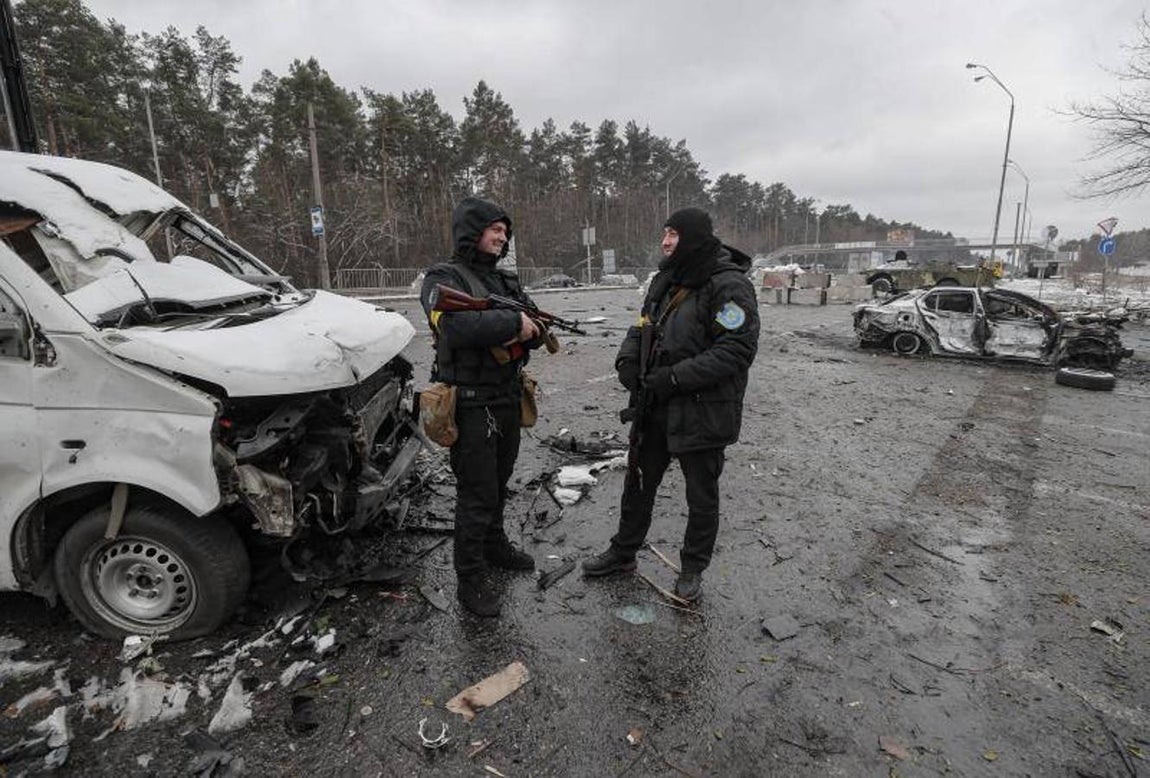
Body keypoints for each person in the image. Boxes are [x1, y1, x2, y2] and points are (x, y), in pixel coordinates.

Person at [582, 207, 759, 601]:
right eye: (664, 232)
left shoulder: (728, 286)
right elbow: (643, 323)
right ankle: (623, 552)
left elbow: (736, 349)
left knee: (701, 496)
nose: (665, 241)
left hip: (703, 410)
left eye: (673, 234)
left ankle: (692, 568)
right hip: (655, 406)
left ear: (693, 237)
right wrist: (627, 357)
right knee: (638, 485)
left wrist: (675, 377)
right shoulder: (666, 279)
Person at [419, 197, 543, 617]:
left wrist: (529, 328)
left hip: (507, 397)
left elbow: (536, 329)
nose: (502, 236)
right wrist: (513, 325)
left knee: (500, 482)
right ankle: (469, 577)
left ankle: (494, 547)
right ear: (472, 230)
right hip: (470, 404)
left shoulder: (506, 282)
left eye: (505, 231)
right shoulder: (442, 277)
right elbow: (453, 328)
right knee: (477, 493)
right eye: (495, 229)